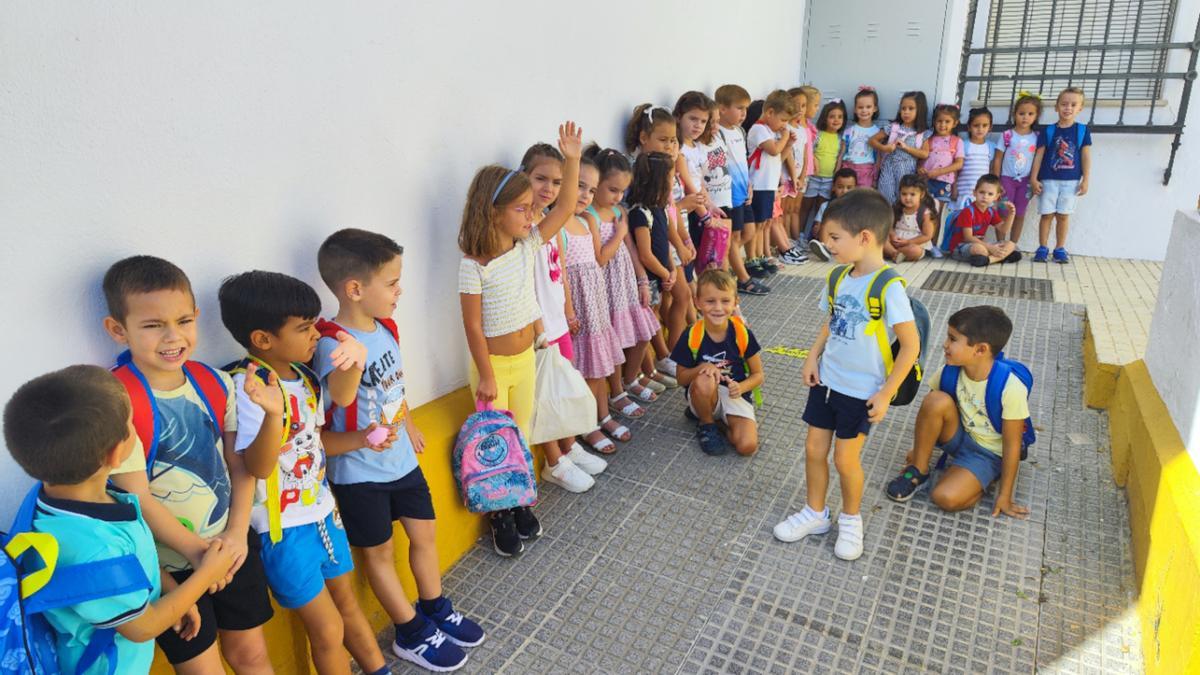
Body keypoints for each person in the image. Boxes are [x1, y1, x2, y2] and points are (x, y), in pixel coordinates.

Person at [314, 228, 483, 671]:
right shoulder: (332, 346)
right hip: (358, 474)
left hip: (402, 463)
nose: (399, 290)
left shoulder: (385, 326)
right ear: (354, 289)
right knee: (379, 554)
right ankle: (409, 632)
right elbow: (335, 405)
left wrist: (408, 425)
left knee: (424, 536)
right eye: (391, 283)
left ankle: (435, 607)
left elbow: (395, 387)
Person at [101, 256, 273, 674]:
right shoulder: (116, 401)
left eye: (183, 321)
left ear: (197, 316)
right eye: (153, 325)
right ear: (118, 330)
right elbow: (135, 497)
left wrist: (234, 537)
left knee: (252, 656)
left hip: (230, 548)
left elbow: (240, 465)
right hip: (169, 571)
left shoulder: (213, 382)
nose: (172, 336)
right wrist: (199, 554)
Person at [4, 365, 235, 675]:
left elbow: (131, 564)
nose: (135, 428)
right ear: (116, 455)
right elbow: (143, 627)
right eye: (131, 424)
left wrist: (168, 588)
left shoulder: (58, 496)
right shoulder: (93, 548)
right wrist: (205, 576)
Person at [218, 271, 388, 675]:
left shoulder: (306, 377)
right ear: (263, 339)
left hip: (324, 515)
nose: (316, 334)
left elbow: (313, 443)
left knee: (347, 605)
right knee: (327, 629)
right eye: (304, 327)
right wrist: (274, 415)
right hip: (283, 530)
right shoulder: (248, 387)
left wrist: (362, 438)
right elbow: (256, 467)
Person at [774, 189, 920, 561]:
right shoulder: (839, 277)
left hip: (861, 391)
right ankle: (815, 512)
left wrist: (886, 393)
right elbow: (831, 320)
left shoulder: (888, 286)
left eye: (835, 238)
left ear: (865, 237)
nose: (829, 246)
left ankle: (851, 520)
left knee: (845, 460)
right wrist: (811, 357)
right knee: (813, 450)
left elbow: (911, 346)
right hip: (827, 381)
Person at [458, 121, 582, 556]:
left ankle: (521, 501)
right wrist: (488, 375)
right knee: (496, 442)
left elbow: (565, 208)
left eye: (532, 209)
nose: (532, 217)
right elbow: (472, 327)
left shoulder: (528, 244)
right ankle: (500, 515)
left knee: (522, 434)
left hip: (525, 361)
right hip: (492, 368)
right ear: (493, 212)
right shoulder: (474, 265)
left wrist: (572, 157)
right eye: (523, 209)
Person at [884, 306, 1031, 519]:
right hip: (960, 435)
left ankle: (985, 476)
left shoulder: (1010, 387)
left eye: (952, 339)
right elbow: (931, 414)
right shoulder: (949, 370)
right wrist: (920, 451)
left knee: (945, 498)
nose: (945, 344)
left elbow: (1012, 445)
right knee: (935, 400)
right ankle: (919, 471)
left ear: (980, 350)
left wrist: (1005, 495)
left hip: (987, 453)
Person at [521, 141, 604, 489]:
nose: (549, 189)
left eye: (557, 182)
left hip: (557, 321)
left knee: (564, 386)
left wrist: (568, 306)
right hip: (538, 328)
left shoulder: (549, 222)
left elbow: (561, 272)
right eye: (541, 179)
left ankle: (568, 447)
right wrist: (572, 159)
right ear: (523, 177)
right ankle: (554, 462)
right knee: (544, 396)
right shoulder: (524, 227)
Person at [585, 145, 663, 417]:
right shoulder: (589, 217)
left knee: (644, 330)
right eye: (612, 190)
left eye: (622, 191)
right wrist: (618, 234)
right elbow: (600, 258)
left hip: (625, 284)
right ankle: (616, 391)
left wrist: (642, 280)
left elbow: (631, 249)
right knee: (614, 340)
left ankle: (630, 379)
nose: (618, 197)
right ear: (596, 185)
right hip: (605, 288)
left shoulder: (620, 212)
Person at [565, 158, 630, 455]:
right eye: (579, 186)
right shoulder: (556, 227)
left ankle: (603, 415)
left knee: (600, 364)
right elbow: (562, 274)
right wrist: (568, 310)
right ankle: (587, 424)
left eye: (590, 190)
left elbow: (597, 260)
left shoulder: (586, 220)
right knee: (586, 369)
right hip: (579, 308)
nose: (585, 196)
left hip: (597, 302)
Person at [671, 269, 763, 457]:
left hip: (733, 392)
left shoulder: (742, 333)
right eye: (710, 301)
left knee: (747, 447)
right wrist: (701, 368)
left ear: (736, 302)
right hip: (703, 390)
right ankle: (707, 424)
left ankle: (718, 421)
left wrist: (742, 386)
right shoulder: (692, 335)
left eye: (725, 301)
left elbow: (758, 375)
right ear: (697, 303)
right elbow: (681, 378)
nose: (718, 308)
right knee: (706, 378)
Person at [714, 84, 769, 296]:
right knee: (733, 238)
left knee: (749, 231)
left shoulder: (739, 130)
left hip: (742, 191)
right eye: (739, 108)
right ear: (722, 109)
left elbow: (742, 160)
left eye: (746, 108)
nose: (744, 113)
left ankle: (730, 270)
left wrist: (749, 183)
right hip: (727, 195)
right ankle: (741, 279)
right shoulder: (718, 133)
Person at [1030, 86, 1092, 263]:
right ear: (1056, 107)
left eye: (1073, 104)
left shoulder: (1082, 131)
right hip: (1048, 180)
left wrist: (1086, 180)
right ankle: (1042, 247)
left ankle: (1059, 248)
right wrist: (1034, 178)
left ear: (1080, 108)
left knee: (1063, 215)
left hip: (1071, 181)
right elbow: (1039, 155)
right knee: (1047, 214)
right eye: (1064, 104)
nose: (1068, 108)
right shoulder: (1048, 131)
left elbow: (1086, 156)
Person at [745, 90, 797, 279]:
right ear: (770, 113)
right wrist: (784, 138)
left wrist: (788, 145)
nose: (785, 126)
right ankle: (751, 258)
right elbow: (774, 151)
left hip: (768, 186)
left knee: (765, 223)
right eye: (783, 120)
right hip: (758, 185)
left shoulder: (771, 131)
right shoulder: (759, 129)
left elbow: (778, 158)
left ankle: (759, 256)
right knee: (757, 224)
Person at [992, 93, 1043, 246]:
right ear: (1014, 114)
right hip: (1006, 180)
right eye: (1021, 113)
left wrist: (1034, 180)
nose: (1025, 117)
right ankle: (1000, 242)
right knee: (1003, 212)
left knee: (1020, 213)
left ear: (1036, 116)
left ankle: (1012, 244)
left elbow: (1037, 161)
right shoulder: (1007, 135)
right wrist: (996, 181)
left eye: (1030, 114)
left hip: (1025, 182)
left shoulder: (1037, 137)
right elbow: (998, 158)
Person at [799, 98, 847, 246]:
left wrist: (836, 175)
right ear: (825, 118)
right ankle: (799, 235)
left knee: (820, 210)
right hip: (814, 178)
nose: (836, 120)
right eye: (832, 116)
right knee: (805, 207)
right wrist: (815, 164)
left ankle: (812, 238)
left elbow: (839, 158)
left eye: (840, 117)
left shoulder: (840, 139)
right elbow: (810, 151)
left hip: (828, 180)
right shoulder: (817, 134)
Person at [947, 174, 1020, 266]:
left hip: (982, 245)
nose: (985, 196)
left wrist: (1011, 214)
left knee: (1011, 244)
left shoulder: (991, 212)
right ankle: (999, 257)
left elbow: (1004, 229)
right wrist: (990, 248)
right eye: (981, 192)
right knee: (980, 249)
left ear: (996, 197)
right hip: (961, 247)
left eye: (990, 194)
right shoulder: (968, 211)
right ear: (974, 192)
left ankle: (989, 260)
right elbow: (968, 237)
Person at [873, 91, 931, 205]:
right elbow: (872, 140)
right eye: (903, 108)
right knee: (885, 198)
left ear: (920, 110)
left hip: (907, 171)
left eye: (911, 108)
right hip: (889, 168)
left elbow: (925, 154)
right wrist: (885, 148)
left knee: (903, 200)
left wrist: (906, 148)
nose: (906, 112)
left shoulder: (921, 133)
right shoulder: (893, 128)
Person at [918, 103, 965, 223]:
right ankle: (923, 239)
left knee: (937, 215)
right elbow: (920, 158)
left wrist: (939, 172)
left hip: (944, 183)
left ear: (955, 123)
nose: (942, 125)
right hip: (925, 181)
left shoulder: (956, 141)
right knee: (922, 213)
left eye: (947, 121)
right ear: (934, 121)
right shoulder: (928, 139)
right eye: (939, 121)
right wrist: (920, 168)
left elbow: (959, 164)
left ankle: (934, 241)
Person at [807, 168, 858, 261]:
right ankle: (825, 249)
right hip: (831, 239)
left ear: (855, 189)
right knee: (824, 225)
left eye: (849, 188)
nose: (844, 191)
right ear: (833, 187)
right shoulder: (826, 206)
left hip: (849, 240)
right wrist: (817, 228)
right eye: (840, 187)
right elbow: (817, 225)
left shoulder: (858, 208)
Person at [885, 174, 937, 263]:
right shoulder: (897, 208)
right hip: (895, 243)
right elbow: (889, 226)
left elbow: (927, 235)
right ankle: (894, 253)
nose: (908, 198)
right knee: (880, 239)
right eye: (904, 194)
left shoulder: (925, 213)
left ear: (922, 194)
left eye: (912, 194)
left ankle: (891, 253)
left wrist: (908, 242)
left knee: (915, 251)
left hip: (913, 244)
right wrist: (892, 235)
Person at [955, 107, 997, 207]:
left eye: (984, 125)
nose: (980, 129)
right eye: (976, 125)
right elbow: (956, 168)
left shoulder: (991, 146)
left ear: (990, 127)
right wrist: (954, 187)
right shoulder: (963, 145)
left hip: (983, 194)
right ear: (969, 127)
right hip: (964, 193)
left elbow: (991, 169)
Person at [842, 86, 881, 188]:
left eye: (868, 107)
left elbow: (879, 157)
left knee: (863, 199)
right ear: (855, 109)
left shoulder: (877, 132)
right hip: (848, 169)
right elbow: (841, 154)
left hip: (867, 171)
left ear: (875, 108)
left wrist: (875, 178)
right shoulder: (849, 131)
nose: (864, 110)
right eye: (860, 107)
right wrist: (837, 172)